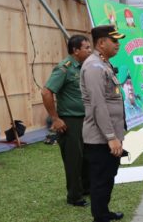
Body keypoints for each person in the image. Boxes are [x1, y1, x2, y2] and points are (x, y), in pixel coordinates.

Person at [80, 25, 126, 222]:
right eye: (114, 40)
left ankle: (104, 212)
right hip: (100, 138)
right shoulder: (94, 67)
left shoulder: (103, 64)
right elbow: (99, 105)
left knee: (108, 177)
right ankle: (100, 218)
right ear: (101, 43)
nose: (118, 44)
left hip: (109, 137)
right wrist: (111, 137)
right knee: (100, 180)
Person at [41, 35, 91, 207]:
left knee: (86, 156)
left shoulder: (82, 67)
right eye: (86, 48)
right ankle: (74, 196)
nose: (89, 50)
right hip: (70, 121)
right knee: (73, 159)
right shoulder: (64, 68)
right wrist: (55, 118)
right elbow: (46, 92)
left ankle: (85, 188)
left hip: (85, 119)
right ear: (76, 50)